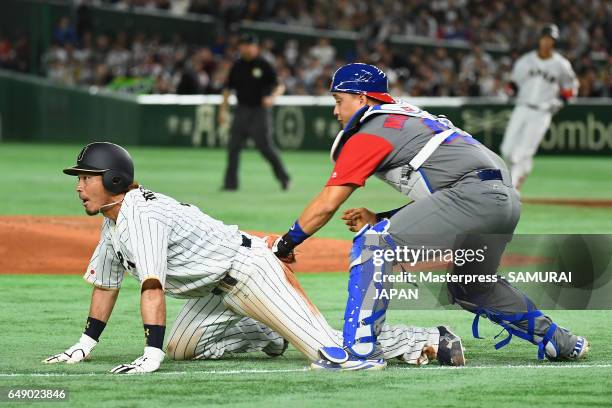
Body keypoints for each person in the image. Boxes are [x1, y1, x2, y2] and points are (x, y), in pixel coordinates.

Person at [268, 62, 589, 370]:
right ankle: (559, 340)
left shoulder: (371, 129)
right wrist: (381, 216)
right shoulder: (407, 117)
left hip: (473, 197)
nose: (335, 111)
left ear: (361, 98)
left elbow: (327, 204)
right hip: (502, 199)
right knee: (472, 286)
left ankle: (360, 351)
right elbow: (447, 196)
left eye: (339, 101)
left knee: (372, 242)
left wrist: (284, 245)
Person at [43, 142, 463, 373]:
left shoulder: (141, 214)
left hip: (248, 271)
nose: (79, 186)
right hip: (211, 288)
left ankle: (427, 339)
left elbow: (152, 286)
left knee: (332, 353)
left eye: (86, 178)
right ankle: (270, 332)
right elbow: (106, 284)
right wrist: (84, 345)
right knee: (182, 347)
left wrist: (149, 356)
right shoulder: (113, 222)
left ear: (113, 180)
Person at [500, 24, 578, 190]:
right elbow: (513, 83)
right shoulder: (526, 60)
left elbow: (570, 88)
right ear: (540, 39)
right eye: (545, 38)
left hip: (542, 112)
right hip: (522, 107)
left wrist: (562, 101)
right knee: (506, 149)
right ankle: (525, 168)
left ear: (554, 42)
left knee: (521, 153)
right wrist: (508, 90)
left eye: (551, 39)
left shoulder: (561, 64)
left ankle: (512, 188)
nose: (547, 42)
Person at [218, 33, 290, 191]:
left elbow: (280, 85)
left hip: (259, 111)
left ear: (256, 47)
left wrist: (272, 98)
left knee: (265, 148)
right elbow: (227, 89)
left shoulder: (264, 64)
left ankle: (284, 178)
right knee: (233, 148)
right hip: (241, 110)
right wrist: (222, 110)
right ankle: (230, 185)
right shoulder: (237, 65)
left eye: (250, 45)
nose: (247, 48)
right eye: (243, 45)